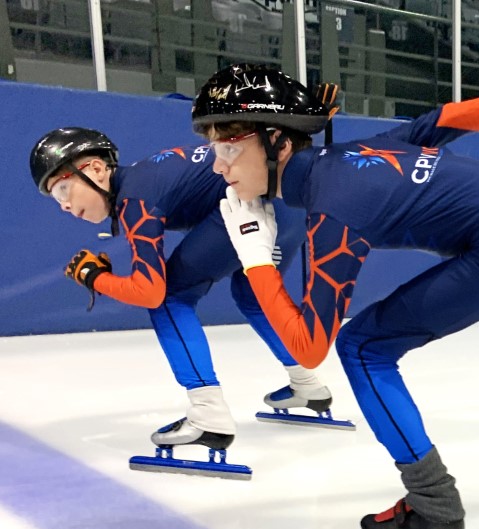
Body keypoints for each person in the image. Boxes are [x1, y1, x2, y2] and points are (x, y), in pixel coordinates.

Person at [192, 62, 479, 529]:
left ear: (278, 142)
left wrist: (256, 259)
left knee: (364, 348)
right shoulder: (360, 151)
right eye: (216, 150)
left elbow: (309, 347)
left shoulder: (333, 208)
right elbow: (453, 117)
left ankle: (433, 505)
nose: (219, 167)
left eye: (229, 148)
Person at [30, 120, 347, 465]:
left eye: (63, 190)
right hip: (290, 209)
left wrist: (95, 277)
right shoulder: (142, 181)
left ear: (96, 169)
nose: (63, 206)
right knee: (253, 294)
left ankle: (208, 415)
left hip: (253, 202)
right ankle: (307, 385)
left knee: (171, 298)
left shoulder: (135, 198)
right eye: (55, 198)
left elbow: (150, 291)